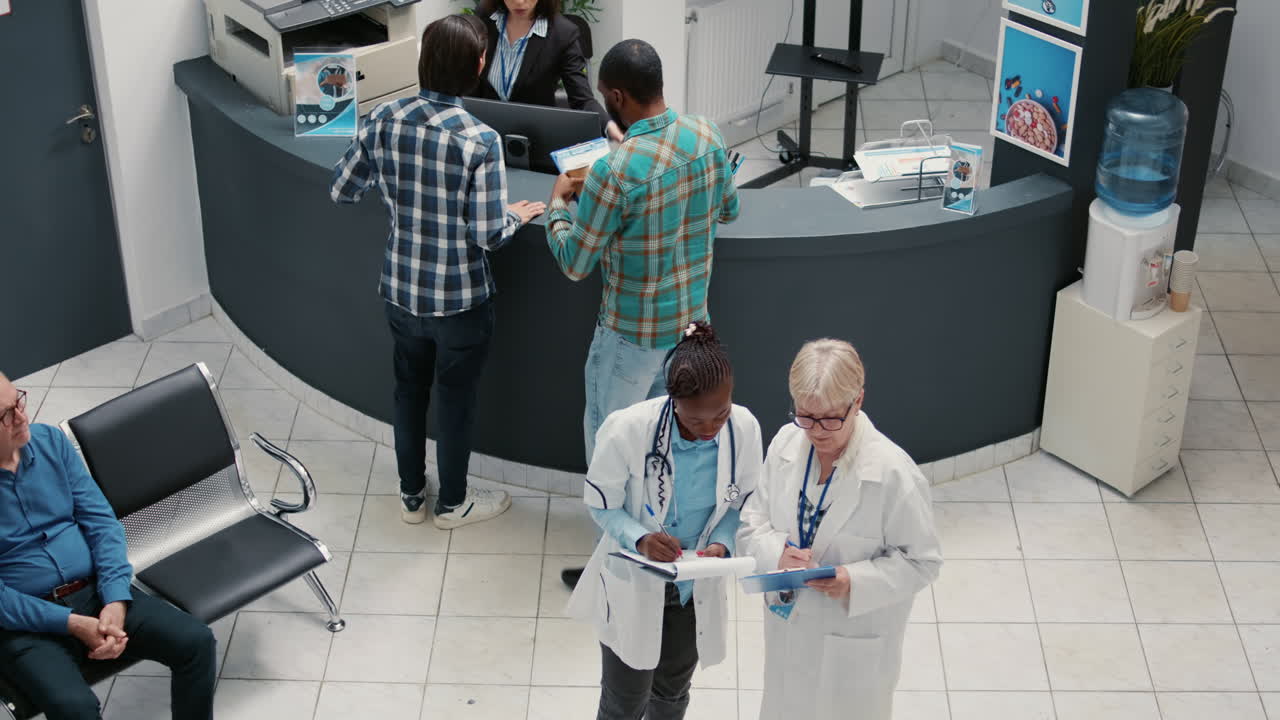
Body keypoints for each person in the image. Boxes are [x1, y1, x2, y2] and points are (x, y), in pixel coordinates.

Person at [331, 14, 545, 530]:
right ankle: (452, 504)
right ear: (477, 65)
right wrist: (520, 212)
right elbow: (488, 234)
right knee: (455, 402)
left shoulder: (382, 118)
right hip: (460, 300)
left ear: (422, 60)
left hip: (401, 291)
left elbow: (343, 190)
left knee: (408, 393)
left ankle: (410, 496)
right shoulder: (480, 141)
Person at [545, 39, 740, 586]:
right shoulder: (707, 136)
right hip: (689, 330)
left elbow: (576, 262)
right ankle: (660, 547)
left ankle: (617, 564)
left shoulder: (613, 172)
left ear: (614, 95)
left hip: (629, 340)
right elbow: (730, 207)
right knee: (667, 450)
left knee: (612, 453)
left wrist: (560, 204)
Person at [736, 339, 943, 720]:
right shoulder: (785, 443)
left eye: (831, 419)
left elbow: (923, 562)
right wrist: (774, 552)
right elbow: (752, 521)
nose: (817, 431)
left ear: (858, 401)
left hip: (853, 637)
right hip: (789, 625)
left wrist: (855, 579)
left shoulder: (893, 473)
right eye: (806, 416)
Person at [565, 322, 761, 720]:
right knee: (624, 702)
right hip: (637, 581)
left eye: (719, 415)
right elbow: (600, 503)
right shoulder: (627, 430)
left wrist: (723, 541)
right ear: (673, 401)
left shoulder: (744, 428)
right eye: (696, 421)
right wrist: (639, 539)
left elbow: (744, 502)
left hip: (693, 587)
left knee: (672, 695)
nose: (710, 431)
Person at [0, 373, 217, 720]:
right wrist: (72, 624)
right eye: (6, 414)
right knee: (76, 708)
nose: (22, 416)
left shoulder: (51, 443)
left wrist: (115, 598)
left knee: (196, 642)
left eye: (19, 401)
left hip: (97, 593)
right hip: (26, 625)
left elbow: (101, 523)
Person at [476, 0, 625, 142]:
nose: (519, 2)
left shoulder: (562, 33)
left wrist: (611, 128)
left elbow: (582, 99)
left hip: (534, 139)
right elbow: (471, 81)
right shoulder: (485, 19)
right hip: (484, 135)